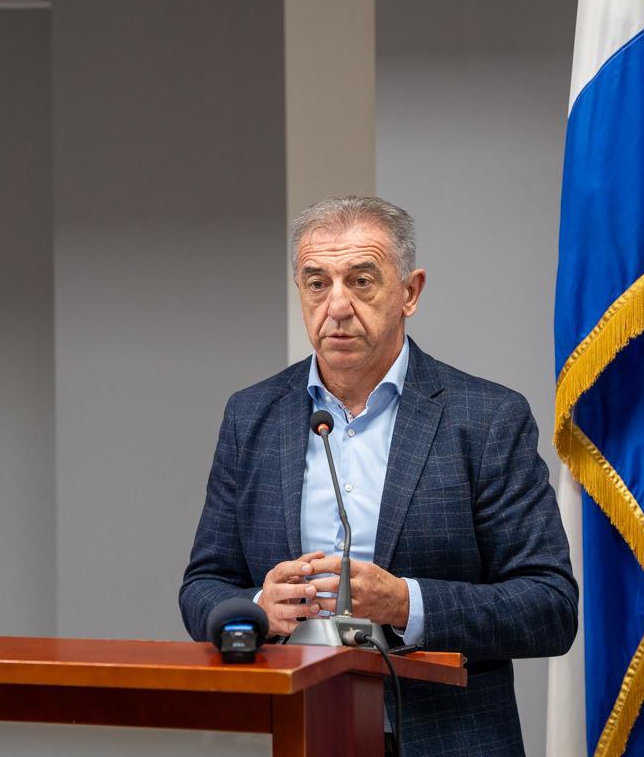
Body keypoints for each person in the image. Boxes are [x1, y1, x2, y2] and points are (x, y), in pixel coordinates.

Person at [180, 196, 577, 756]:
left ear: (410, 292)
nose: (337, 306)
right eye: (317, 283)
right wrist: (259, 607)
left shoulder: (487, 417)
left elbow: (550, 606)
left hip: (451, 740)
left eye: (361, 281)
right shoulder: (253, 416)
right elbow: (202, 588)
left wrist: (406, 603)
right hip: (307, 730)